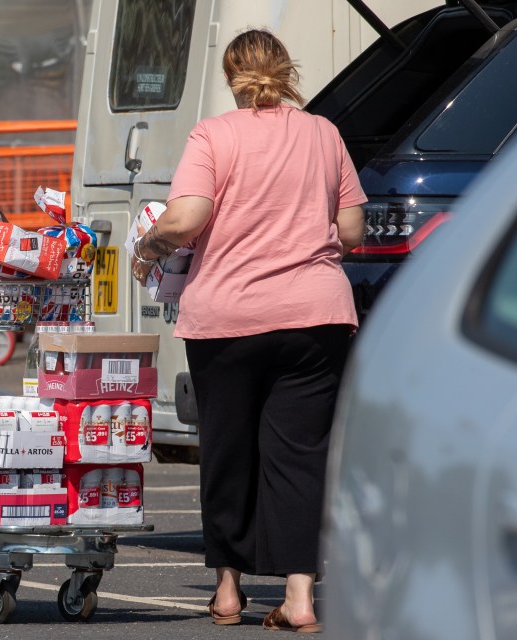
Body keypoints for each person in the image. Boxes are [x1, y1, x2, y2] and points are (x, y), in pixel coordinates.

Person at [130, 29, 366, 633]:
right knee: (300, 457)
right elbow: (352, 230)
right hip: (317, 316)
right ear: (285, 71)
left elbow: (187, 220)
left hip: (228, 318)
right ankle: (300, 597)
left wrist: (148, 246)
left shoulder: (214, 134)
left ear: (232, 76)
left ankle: (229, 591)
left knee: (228, 451)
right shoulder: (325, 133)